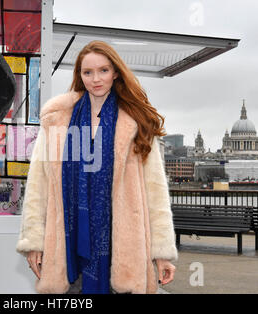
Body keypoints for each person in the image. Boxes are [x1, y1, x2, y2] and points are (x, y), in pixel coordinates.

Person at [16, 40, 177, 294]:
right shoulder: (57, 119)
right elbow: (38, 187)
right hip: (67, 247)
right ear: (79, 76)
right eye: (87, 72)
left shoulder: (136, 121)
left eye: (103, 70)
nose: (96, 79)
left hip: (123, 248)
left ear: (115, 73)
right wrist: (34, 241)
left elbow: (154, 193)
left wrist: (162, 252)